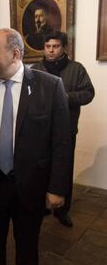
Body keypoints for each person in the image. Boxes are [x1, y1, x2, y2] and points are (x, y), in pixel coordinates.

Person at [0, 28, 71, 265]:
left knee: (28, 252)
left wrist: (57, 188)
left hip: (30, 188)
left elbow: (61, 143)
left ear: (16, 54)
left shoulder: (50, 87)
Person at [31, 31, 95, 227]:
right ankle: (41, 206)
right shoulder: (35, 69)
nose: (50, 50)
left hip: (66, 131)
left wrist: (66, 98)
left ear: (64, 47)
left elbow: (89, 93)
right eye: (47, 46)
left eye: (55, 46)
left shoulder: (77, 68)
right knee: (41, 169)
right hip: (40, 131)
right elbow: (27, 96)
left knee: (64, 170)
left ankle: (62, 210)